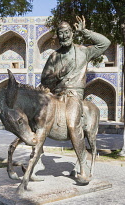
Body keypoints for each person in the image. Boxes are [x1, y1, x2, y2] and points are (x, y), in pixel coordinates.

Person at [41, 16, 111, 180]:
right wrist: (57, 75)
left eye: (66, 32)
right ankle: (36, 161)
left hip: (73, 95)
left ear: (72, 33)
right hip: (56, 95)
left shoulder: (83, 51)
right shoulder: (54, 56)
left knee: (73, 125)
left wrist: (85, 32)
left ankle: (83, 165)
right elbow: (44, 79)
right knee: (36, 119)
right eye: (60, 33)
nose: (63, 36)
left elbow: (105, 43)